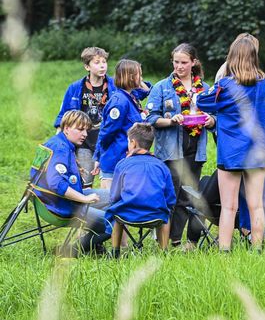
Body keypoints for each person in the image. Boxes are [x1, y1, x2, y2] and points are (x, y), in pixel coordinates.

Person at [196, 33, 265, 252]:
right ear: (255, 57)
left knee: (228, 205)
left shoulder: (225, 86)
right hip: (258, 153)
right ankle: (257, 249)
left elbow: (202, 101)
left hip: (232, 153)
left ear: (231, 58)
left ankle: (225, 250)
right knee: (256, 205)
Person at [146, 43, 215, 249]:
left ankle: (176, 239)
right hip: (170, 150)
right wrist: (171, 121)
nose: (179, 66)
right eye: (176, 62)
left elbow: (216, 117)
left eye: (184, 62)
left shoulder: (205, 89)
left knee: (187, 195)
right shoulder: (162, 87)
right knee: (171, 194)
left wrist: (211, 120)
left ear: (193, 62)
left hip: (195, 148)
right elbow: (151, 118)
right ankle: (163, 240)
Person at [54, 47, 149, 187]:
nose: (102, 65)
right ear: (87, 66)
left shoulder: (116, 86)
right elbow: (64, 114)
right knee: (85, 179)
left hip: (106, 139)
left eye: (104, 62)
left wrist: (136, 76)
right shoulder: (75, 88)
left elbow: (140, 92)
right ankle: (84, 203)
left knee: (109, 180)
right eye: (97, 62)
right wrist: (59, 138)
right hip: (85, 140)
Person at [32, 110, 110, 254]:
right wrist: (84, 198)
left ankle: (95, 241)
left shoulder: (57, 142)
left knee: (112, 196)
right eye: (80, 129)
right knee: (111, 223)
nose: (85, 134)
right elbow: (56, 184)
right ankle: (70, 250)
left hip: (50, 201)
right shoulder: (61, 148)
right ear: (66, 128)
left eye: (86, 130)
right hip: (61, 206)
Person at [106, 123, 176, 257]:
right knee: (166, 213)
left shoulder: (122, 164)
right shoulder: (161, 166)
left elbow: (114, 195)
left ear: (132, 143)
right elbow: (170, 197)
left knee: (115, 211)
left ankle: (115, 251)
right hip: (155, 215)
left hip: (127, 214)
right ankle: (164, 251)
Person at [94, 59, 150, 190]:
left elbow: (148, 91)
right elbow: (106, 133)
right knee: (112, 203)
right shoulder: (119, 102)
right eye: (139, 75)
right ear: (130, 77)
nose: (141, 78)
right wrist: (98, 156)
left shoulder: (131, 96)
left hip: (128, 161)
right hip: (115, 162)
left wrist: (137, 79)